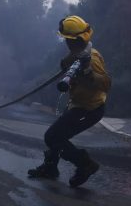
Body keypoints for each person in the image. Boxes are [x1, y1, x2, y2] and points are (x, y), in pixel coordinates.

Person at [28, 15, 111, 187]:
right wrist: (68, 64)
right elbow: (66, 64)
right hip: (77, 105)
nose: (66, 42)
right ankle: (50, 168)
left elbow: (106, 84)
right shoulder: (78, 52)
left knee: (52, 136)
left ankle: (85, 164)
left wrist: (87, 72)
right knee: (59, 135)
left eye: (67, 39)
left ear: (75, 40)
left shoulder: (92, 59)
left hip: (89, 109)